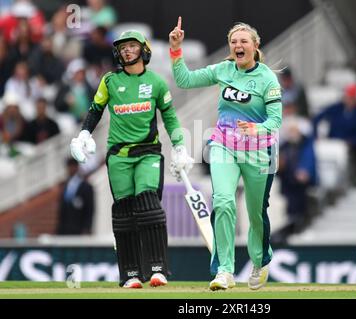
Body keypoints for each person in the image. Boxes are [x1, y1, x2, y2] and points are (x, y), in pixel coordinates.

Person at [70, 29, 193, 289]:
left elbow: (170, 117)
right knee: (124, 213)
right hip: (118, 156)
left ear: (144, 50)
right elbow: (95, 110)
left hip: (148, 152)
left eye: (132, 46)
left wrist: (180, 146)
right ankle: (130, 274)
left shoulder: (157, 82)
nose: (126, 50)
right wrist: (82, 134)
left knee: (148, 202)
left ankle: (158, 269)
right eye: (123, 47)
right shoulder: (110, 81)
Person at [169, 17, 282, 290]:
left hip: (259, 153)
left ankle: (259, 260)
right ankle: (224, 271)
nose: (238, 45)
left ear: (255, 45)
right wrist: (175, 49)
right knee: (223, 202)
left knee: (256, 213)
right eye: (234, 42)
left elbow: (275, 121)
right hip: (223, 146)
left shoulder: (267, 78)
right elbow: (185, 80)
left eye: (244, 41)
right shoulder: (223, 69)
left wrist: (257, 129)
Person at [272, 116, 317, 244]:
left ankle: (300, 227)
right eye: (290, 131)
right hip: (286, 181)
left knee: (299, 204)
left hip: (300, 184)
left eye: (294, 130)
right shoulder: (285, 146)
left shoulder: (305, 145)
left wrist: (304, 171)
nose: (292, 133)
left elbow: (308, 161)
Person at [312, 83, 356, 186]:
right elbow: (317, 119)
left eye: (351, 98)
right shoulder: (336, 108)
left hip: (350, 145)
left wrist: (351, 142)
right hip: (332, 142)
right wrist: (316, 136)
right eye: (347, 97)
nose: (349, 100)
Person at [57, 158, 94, 235]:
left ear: (77, 167)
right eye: (69, 167)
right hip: (65, 229)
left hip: (79, 229)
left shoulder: (86, 186)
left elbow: (90, 209)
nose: (70, 169)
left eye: (72, 167)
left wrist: (87, 228)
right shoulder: (65, 185)